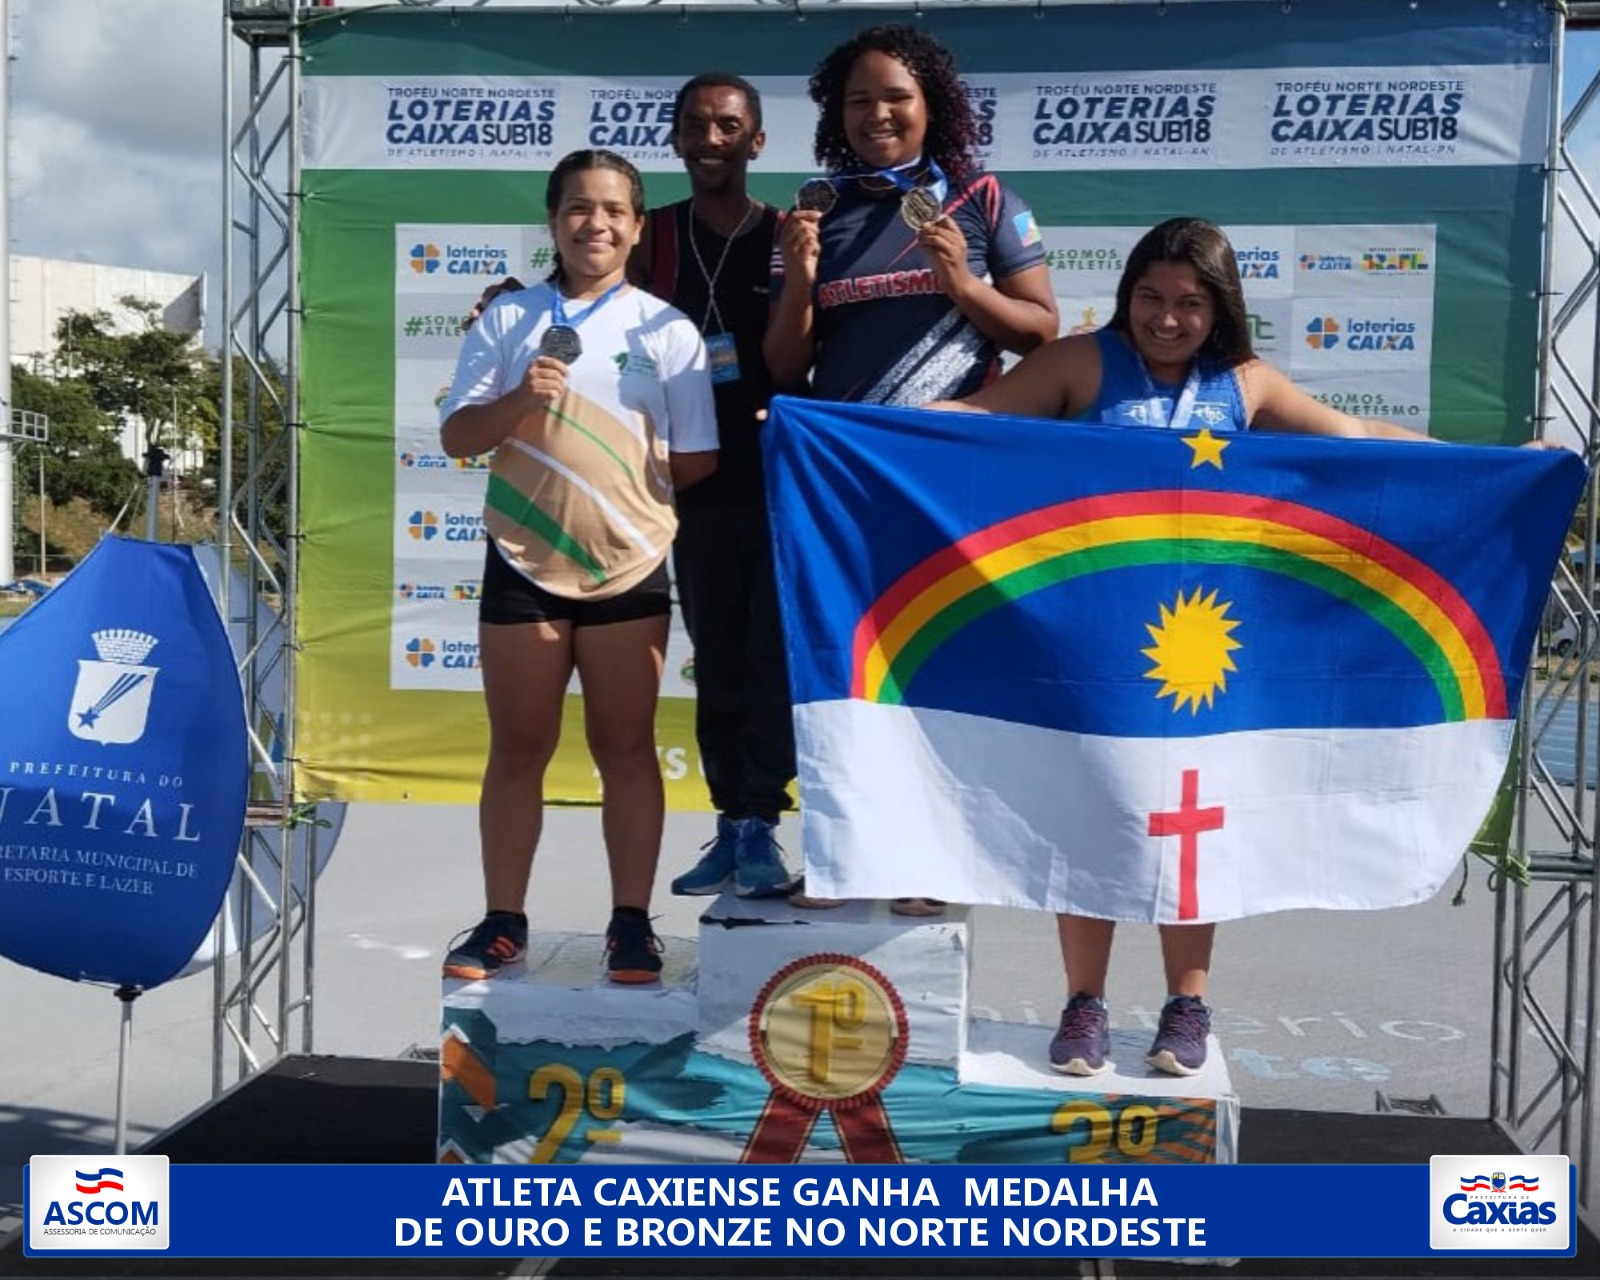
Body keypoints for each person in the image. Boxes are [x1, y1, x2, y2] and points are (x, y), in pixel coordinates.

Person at [928, 214, 1437, 1075]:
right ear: (1126, 294)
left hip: (1203, 651)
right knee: (1089, 814)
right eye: (1151, 297)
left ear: (1220, 308)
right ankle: (1083, 1005)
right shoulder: (1078, 361)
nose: (1167, 318)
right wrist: (832, 427)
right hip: (1090, 640)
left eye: (1190, 303)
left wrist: (1500, 459)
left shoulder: (1245, 384)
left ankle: (1185, 1006)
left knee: (1190, 827)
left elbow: (1360, 441)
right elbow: (969, 423)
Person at [766, 22, 1059, 913]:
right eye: (858, 100)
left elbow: (1042, 332)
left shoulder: (982, 198)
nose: (877, 114)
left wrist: (965, 283)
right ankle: (841, 853)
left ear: (933, 105)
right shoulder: (816, 208)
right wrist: (797, 277)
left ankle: (933, 860)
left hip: (948, 477)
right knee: (845, 671)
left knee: (937, 660)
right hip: (846, 485)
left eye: (895, 96)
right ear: (835, 115)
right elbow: (785, 368)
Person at [438, 149, 718, 985]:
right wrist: (524, 398)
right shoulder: (507, 319)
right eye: (578, 209)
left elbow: (698, 460)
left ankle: (631, 925)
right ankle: (502, 922)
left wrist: (633, 475)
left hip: (628, 562)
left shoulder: (668, 330)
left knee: (625, 750)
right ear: (554, 220)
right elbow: (458, 438)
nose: (595, 224)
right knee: (517, 750)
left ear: (637, 225)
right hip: (523, 559)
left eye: (613, 211)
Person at [631, 74, 798, 902]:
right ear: (675, 138)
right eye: (695, 124)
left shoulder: (789, 235)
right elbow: (572, 302)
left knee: (772, 662)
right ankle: (734, 822)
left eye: (729, 126)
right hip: (687, 484)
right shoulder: (649, 236)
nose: (711, 138)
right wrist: (509, 305)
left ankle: (762, 819)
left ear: (755, 141)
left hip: (782, 481)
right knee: (718, 657)